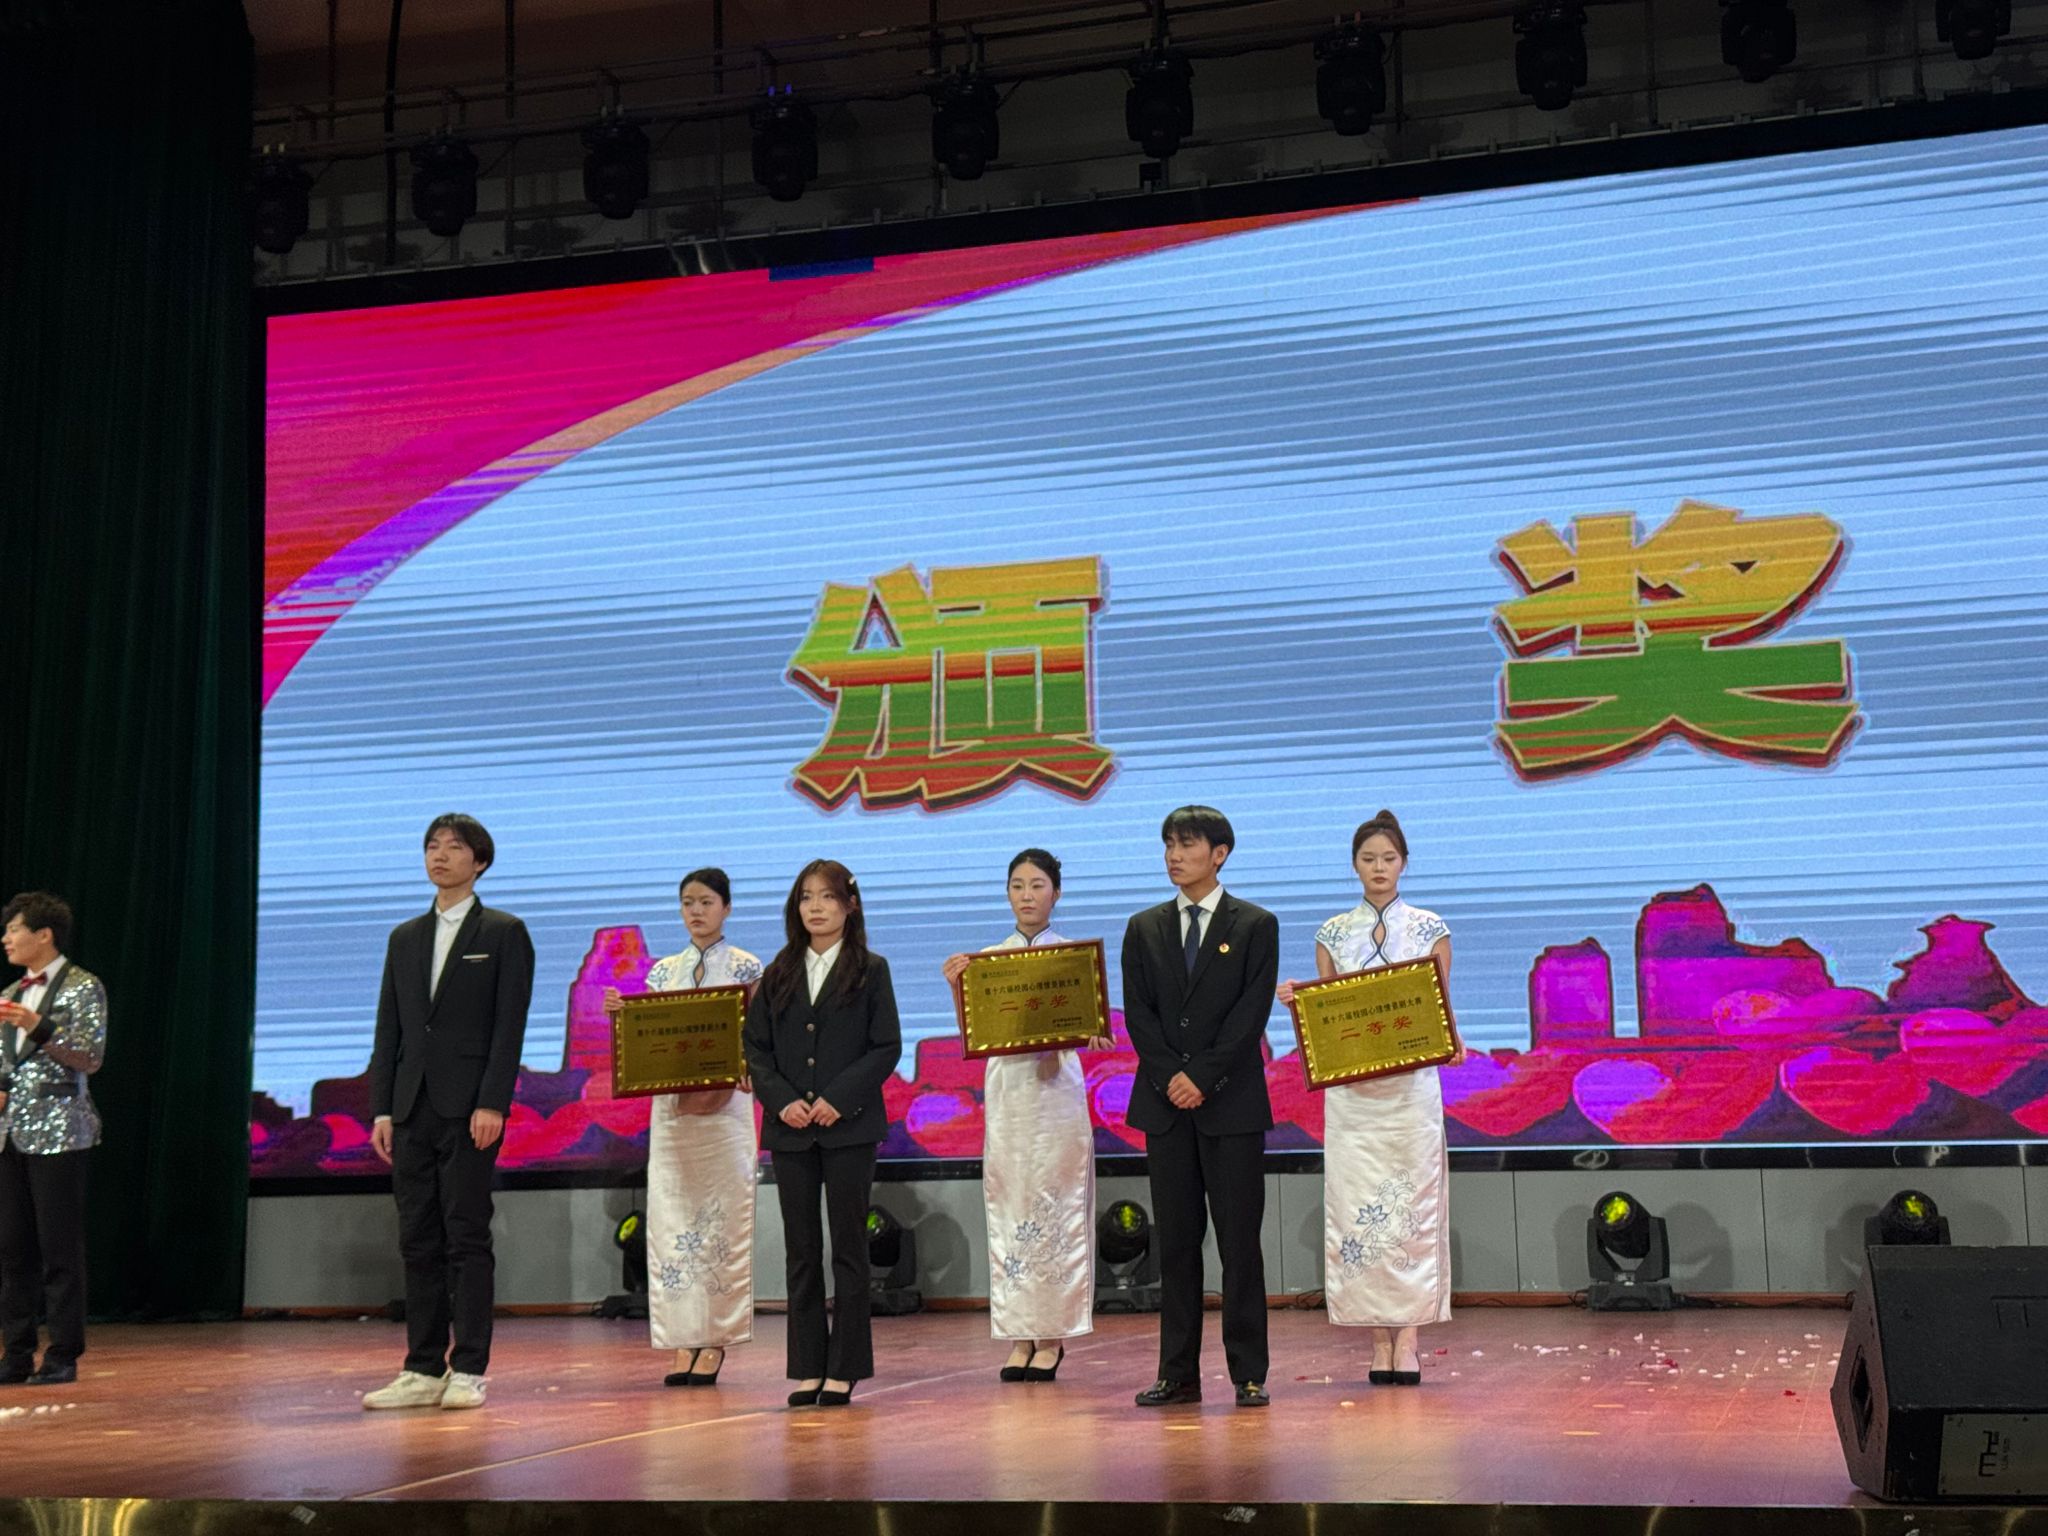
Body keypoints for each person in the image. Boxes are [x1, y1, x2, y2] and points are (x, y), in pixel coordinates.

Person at [361, 814, 535, 1411]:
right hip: (411, 1106)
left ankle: (470, 1367)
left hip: (470, 1109)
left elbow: (509, 1027)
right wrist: (382, 1108)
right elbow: (390, 1029)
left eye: (454, 848)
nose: (439, 855)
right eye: (432, 846)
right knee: (417, 1238)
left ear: (479, 861)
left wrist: (493, 1101)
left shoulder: (504, 932)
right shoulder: (404, 937)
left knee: (466, 1236)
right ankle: (422, 1366)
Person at [1278, 809, 1454, 1387]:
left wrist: (1452, 1041)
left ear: (1404, 863)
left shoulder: (1430, 928)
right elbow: (1331, 1017)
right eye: (1368, 858)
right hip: (1353, 1097)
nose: (1379, 867)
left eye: (1389, 858)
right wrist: (1301, 1003)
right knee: (1360, 1212)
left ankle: (1410, 1339)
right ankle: (1379, 1339)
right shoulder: (1332, 933)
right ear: (1354, 865)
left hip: (1410, 1093)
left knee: (1412, 1209)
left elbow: (1440, 1008)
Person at [1120, 806, 1280, 1410]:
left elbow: (1250, 1015)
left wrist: (1202, 1077)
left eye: (1187, 845)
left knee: (1240, 1245)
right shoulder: (1144, 927)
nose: (1174, 855)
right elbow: (1139, 1015)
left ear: (1219, 854)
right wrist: (1172, 1077)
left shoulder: (1255, 924)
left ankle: (1248, 1372)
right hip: (1165, 1107)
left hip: (1231, 1105)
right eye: (1168, 844)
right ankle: (1177, 1374)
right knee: (1177, 1246)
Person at [940, 849, 1107, 1384]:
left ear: (1057, 892)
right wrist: (958, 987)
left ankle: (1052, 1336)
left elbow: (1092, 1027)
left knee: (1057, 1209)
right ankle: (1018, 1334)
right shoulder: (990, 960)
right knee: (1009, 1207)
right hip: (1010, 1095)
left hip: (1056, 1096)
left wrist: (1094, 1029)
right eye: (1017, 885)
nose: (1027, 895)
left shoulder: (1073, 959)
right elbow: (975, 1034)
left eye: (1037, 885)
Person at [743, 860, 901, 1409]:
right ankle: (808, 1366)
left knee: (849, 1249)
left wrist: (838, 1098)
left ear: (849, 906)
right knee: (802, 1251)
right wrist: (782, 1101)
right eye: (807, 896)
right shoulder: (778, 971)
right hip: (790, 1131)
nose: (816, 906)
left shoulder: (871, 969)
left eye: (828, 897)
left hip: (849, 1128)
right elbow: (755, 1048)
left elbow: (886, 1046)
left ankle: (845, 1367)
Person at [604, 868, 761, 1388]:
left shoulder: (746, 966)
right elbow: (648, 1041)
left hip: (726, 1113)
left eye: (707, 901)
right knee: (672, 1220)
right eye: (688, 902)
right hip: (671, 1114)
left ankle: (714, 1338)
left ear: (727, 908)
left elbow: (759, 1036)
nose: (696, 911)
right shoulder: (661, 973)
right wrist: (621, 1015)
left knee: (722, 1221)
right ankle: (681, 1337)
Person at [0, 893, 106, 1387]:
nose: (6, 938)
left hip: (60, 1132)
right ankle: (16, 1352)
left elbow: (90, 1057)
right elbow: (6, 1064)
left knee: (59, 1249)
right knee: (12, 1249)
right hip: (10, 1134)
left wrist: (39, 1027)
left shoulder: (84, 986)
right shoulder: (10, 992)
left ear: (44, 935)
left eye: (14, 929)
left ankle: (62, 1354)